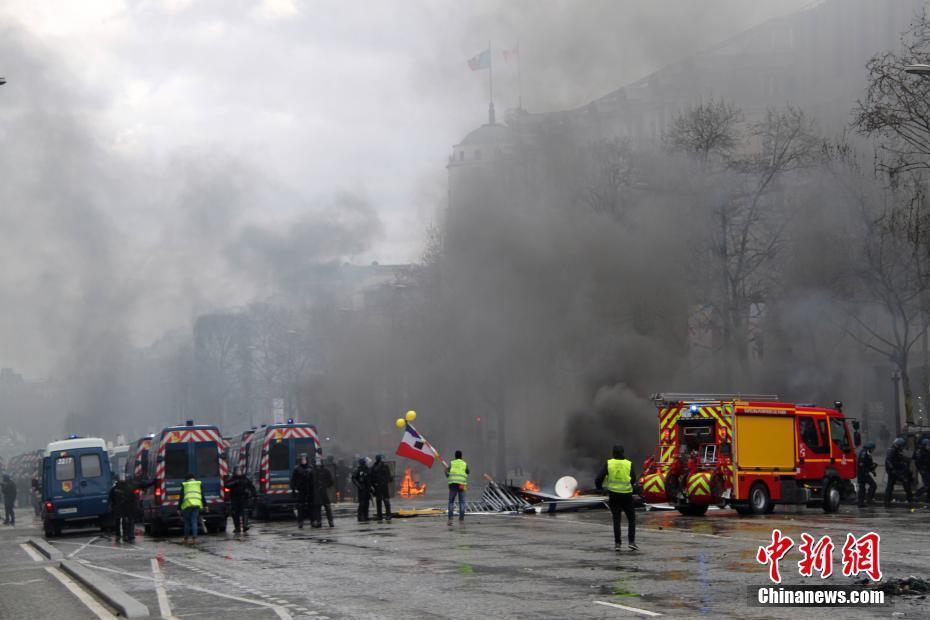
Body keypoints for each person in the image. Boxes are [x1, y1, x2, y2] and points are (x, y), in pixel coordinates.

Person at [595, 445, 637, 551]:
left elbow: (598, 478)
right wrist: (629, 485)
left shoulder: (609, 463)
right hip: (627, 494)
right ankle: (631, 542)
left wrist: (599, 488)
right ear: (623, 452)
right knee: (631, 518)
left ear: (613, 453)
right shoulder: (628, 463)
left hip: (614, 495)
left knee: (616, 519)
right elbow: (634, 477)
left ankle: (617, 544)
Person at [226, 467, 257, 533]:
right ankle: (237, 528)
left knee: (245, 512)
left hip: (244, 498)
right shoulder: (232, 479)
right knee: (235, 513)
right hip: (235, 499)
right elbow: (227, 485)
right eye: (237, 471)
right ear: (235, 472)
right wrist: (235, 482)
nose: (239, 472)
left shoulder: (245, 479)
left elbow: (252, 487)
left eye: (240, 471)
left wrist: (254, 495)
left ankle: (245, 526)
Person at [884, 437, 913, 506]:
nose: (902, 448)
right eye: (901, 446)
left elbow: (901, 458)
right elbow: (888, 461)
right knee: (904, 482)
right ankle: (910, 498)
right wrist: (892, 469)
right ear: (898, 445)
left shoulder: (896, 450)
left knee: (891, 485)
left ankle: (887, 500)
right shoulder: (891, 451)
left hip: (896, 471)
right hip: (894, 471)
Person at [290, 454, 314, 529]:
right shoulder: (297, 469)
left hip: (310, 490)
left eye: (305, 459)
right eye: (302, 459)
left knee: (311, 506)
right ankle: (300, 522)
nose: (303, 461)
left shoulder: (311, 468)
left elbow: (314, 479)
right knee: (300, 507)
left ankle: (312, 521)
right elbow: (293, 480)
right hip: (301, 490)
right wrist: (293, 490)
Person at [445, 450, 468, 525]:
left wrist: (448, 475)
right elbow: (468, 472)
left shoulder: (452, 463)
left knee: (451, 501)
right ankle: (461, 520)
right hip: (461, 484)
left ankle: (450, 519)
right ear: (461, 456)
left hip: (453, 484)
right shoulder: (464, 463)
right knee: (462, 501)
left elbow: (446, 472)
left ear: (455, 456)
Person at [180, 473, 203, 545]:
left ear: (187, 479)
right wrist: (205, 505)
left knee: (187, 523)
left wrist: (178, 508)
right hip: (196, 505)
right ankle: (195, 539)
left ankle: (186, 539)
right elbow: (202, 495)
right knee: (194, 521)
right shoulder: (198, 484)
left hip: (187, 505)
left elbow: (181, 497)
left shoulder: (185, 485)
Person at [311, 461, 335, 528]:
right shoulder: (313, 471)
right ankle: (328, 522)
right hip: (319, 492)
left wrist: (324, 485)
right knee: (321, 507)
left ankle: (328, 522)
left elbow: (331, 481)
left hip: (321, 492)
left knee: (324, 507)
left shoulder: (314, 471)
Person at [370, 454, 392, 523]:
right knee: (379, 501)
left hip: (384, 486)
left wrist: (386, 481)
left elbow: (389, 476)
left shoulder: (385, 466)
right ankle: (380, 516)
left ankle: (388, 515)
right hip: (378, 487)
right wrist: (374, 485)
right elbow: (372, 477)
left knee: (386, 501)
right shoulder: (374, 467)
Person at [857, 442, 877, 507]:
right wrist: (867, 473)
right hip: (863, 474)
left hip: (862, 474)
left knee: (862, 488)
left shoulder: (866, 453)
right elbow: (862, 465)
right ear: (870, 448)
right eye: (873, 449)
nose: (873, 450)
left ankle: (861, 503)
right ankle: (868, 500)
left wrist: (873, 470)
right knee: (873, 485)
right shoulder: (864, 454)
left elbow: (868, 465)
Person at [351, 458, 372, 522]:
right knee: (362, 503)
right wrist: (359, 486)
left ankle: (366, 516)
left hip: (367, 489)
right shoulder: (358, 470)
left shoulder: (368, 469)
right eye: (365, 463)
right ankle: (360, 517)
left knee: (367, 503)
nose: (366, 464)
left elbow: (370, 478)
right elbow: (353, 478)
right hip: (362, 489)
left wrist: (372, 488)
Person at [914, 437, 930, 503]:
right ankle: (917, 495)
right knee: (927, 486)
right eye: (928, 445)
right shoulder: (920, 452)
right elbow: (917, 463)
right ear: (924, 445)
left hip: (928, 470)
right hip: (924, 471)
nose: (929, 446)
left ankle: (928, 499)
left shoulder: (927, 452)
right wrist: (922, 470)